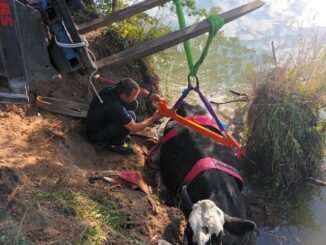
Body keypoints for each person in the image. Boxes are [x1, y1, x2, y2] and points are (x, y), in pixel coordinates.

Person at [85, 77, 163, 154]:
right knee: (131, 115)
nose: (136, 97)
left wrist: (150, 95)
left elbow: (138, 91)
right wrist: (154, 117)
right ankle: (115, 144)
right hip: (95, 133)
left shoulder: (117, 88)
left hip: (101, 120)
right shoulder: (114, 106)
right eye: (134, 96)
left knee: (134, 104)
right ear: (123, 95)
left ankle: (120, 132)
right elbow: (134, 128)